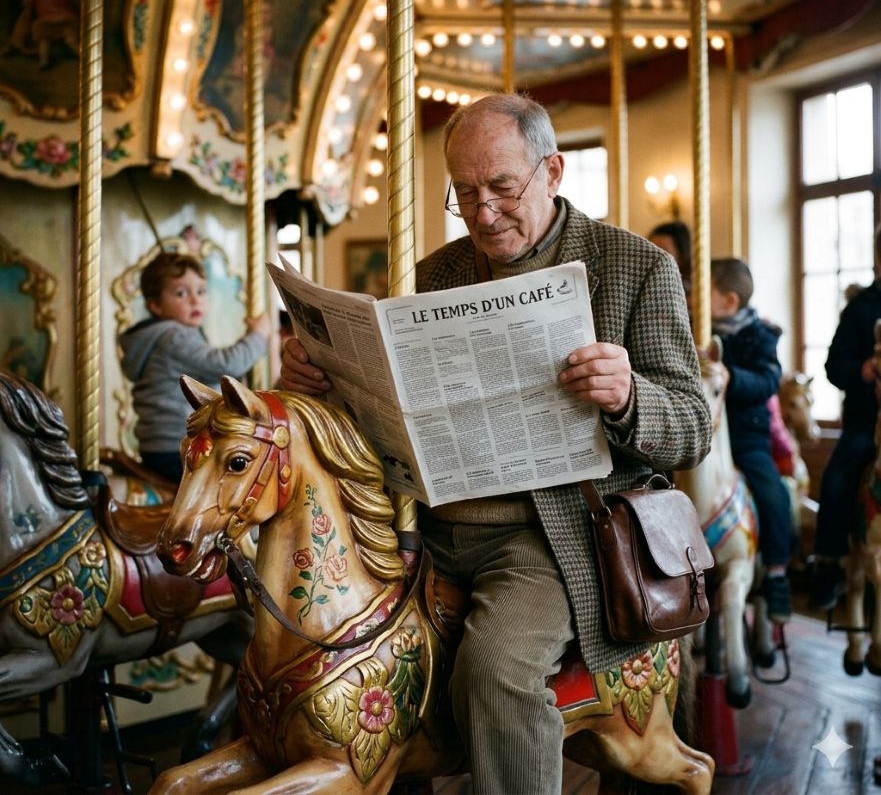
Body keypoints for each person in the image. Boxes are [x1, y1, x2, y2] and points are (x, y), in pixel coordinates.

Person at [279, 93, 711, 795]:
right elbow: (393, 413)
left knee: (494, 669)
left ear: (552, 170)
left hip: (548, 535)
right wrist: (318, 377)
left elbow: (692, 425)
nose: (483, 213)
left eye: (502, 188)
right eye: (465, 194)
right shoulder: (438, 273)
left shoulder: (635, 267)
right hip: (429, 525)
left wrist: (629, 394)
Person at [120, 251, 271, 482]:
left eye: (201, 291)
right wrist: (258, 336)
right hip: (179, 446)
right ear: (155, 306)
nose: (195, 299)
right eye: (181, 293)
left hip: (158, 447)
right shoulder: (174, 337)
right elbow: (227, 365)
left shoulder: (161, 336)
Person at [710, 257, 793, 622]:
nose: (695, 297)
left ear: (729, 301)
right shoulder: (698, 333)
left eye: (705, 292)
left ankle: (777, 572)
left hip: (746, 435)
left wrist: (732, 378)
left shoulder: (761, 336)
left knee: (772, 491)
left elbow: (769, 380)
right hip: (707, 436)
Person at [809, 223, 881, 610]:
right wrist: (864, 370)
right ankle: (829, 562)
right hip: (866, 422)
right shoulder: (860, 310)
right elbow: (834, 366)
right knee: (838, 479)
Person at [6, 0, 80, 69]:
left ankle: (83, 56)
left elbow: (67, 6)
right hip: (45, 22)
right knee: (43, 39)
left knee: (70, 39)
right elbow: (27, 4)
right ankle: (44, 62)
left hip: (62, 20)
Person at [648, 220, 692, 304]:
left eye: (663, 251)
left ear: (681, 254)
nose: (655, 257)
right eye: (651, 250)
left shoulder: (688, 290)